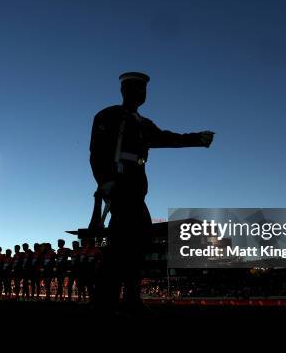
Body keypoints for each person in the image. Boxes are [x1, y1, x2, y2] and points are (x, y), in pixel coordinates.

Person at [89, 72, 214, 311]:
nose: (141, 94)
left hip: (137, 182)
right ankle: (114, 297)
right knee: (127, 238)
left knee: (134, 239)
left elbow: (165, 138)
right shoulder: (108, 115)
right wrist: (104, 180)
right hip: (119, 179)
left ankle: (119, 296)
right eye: (136, 89)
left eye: (143, 90)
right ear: (124, 91)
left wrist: (196, 139)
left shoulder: (143, 123)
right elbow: (97, 151)